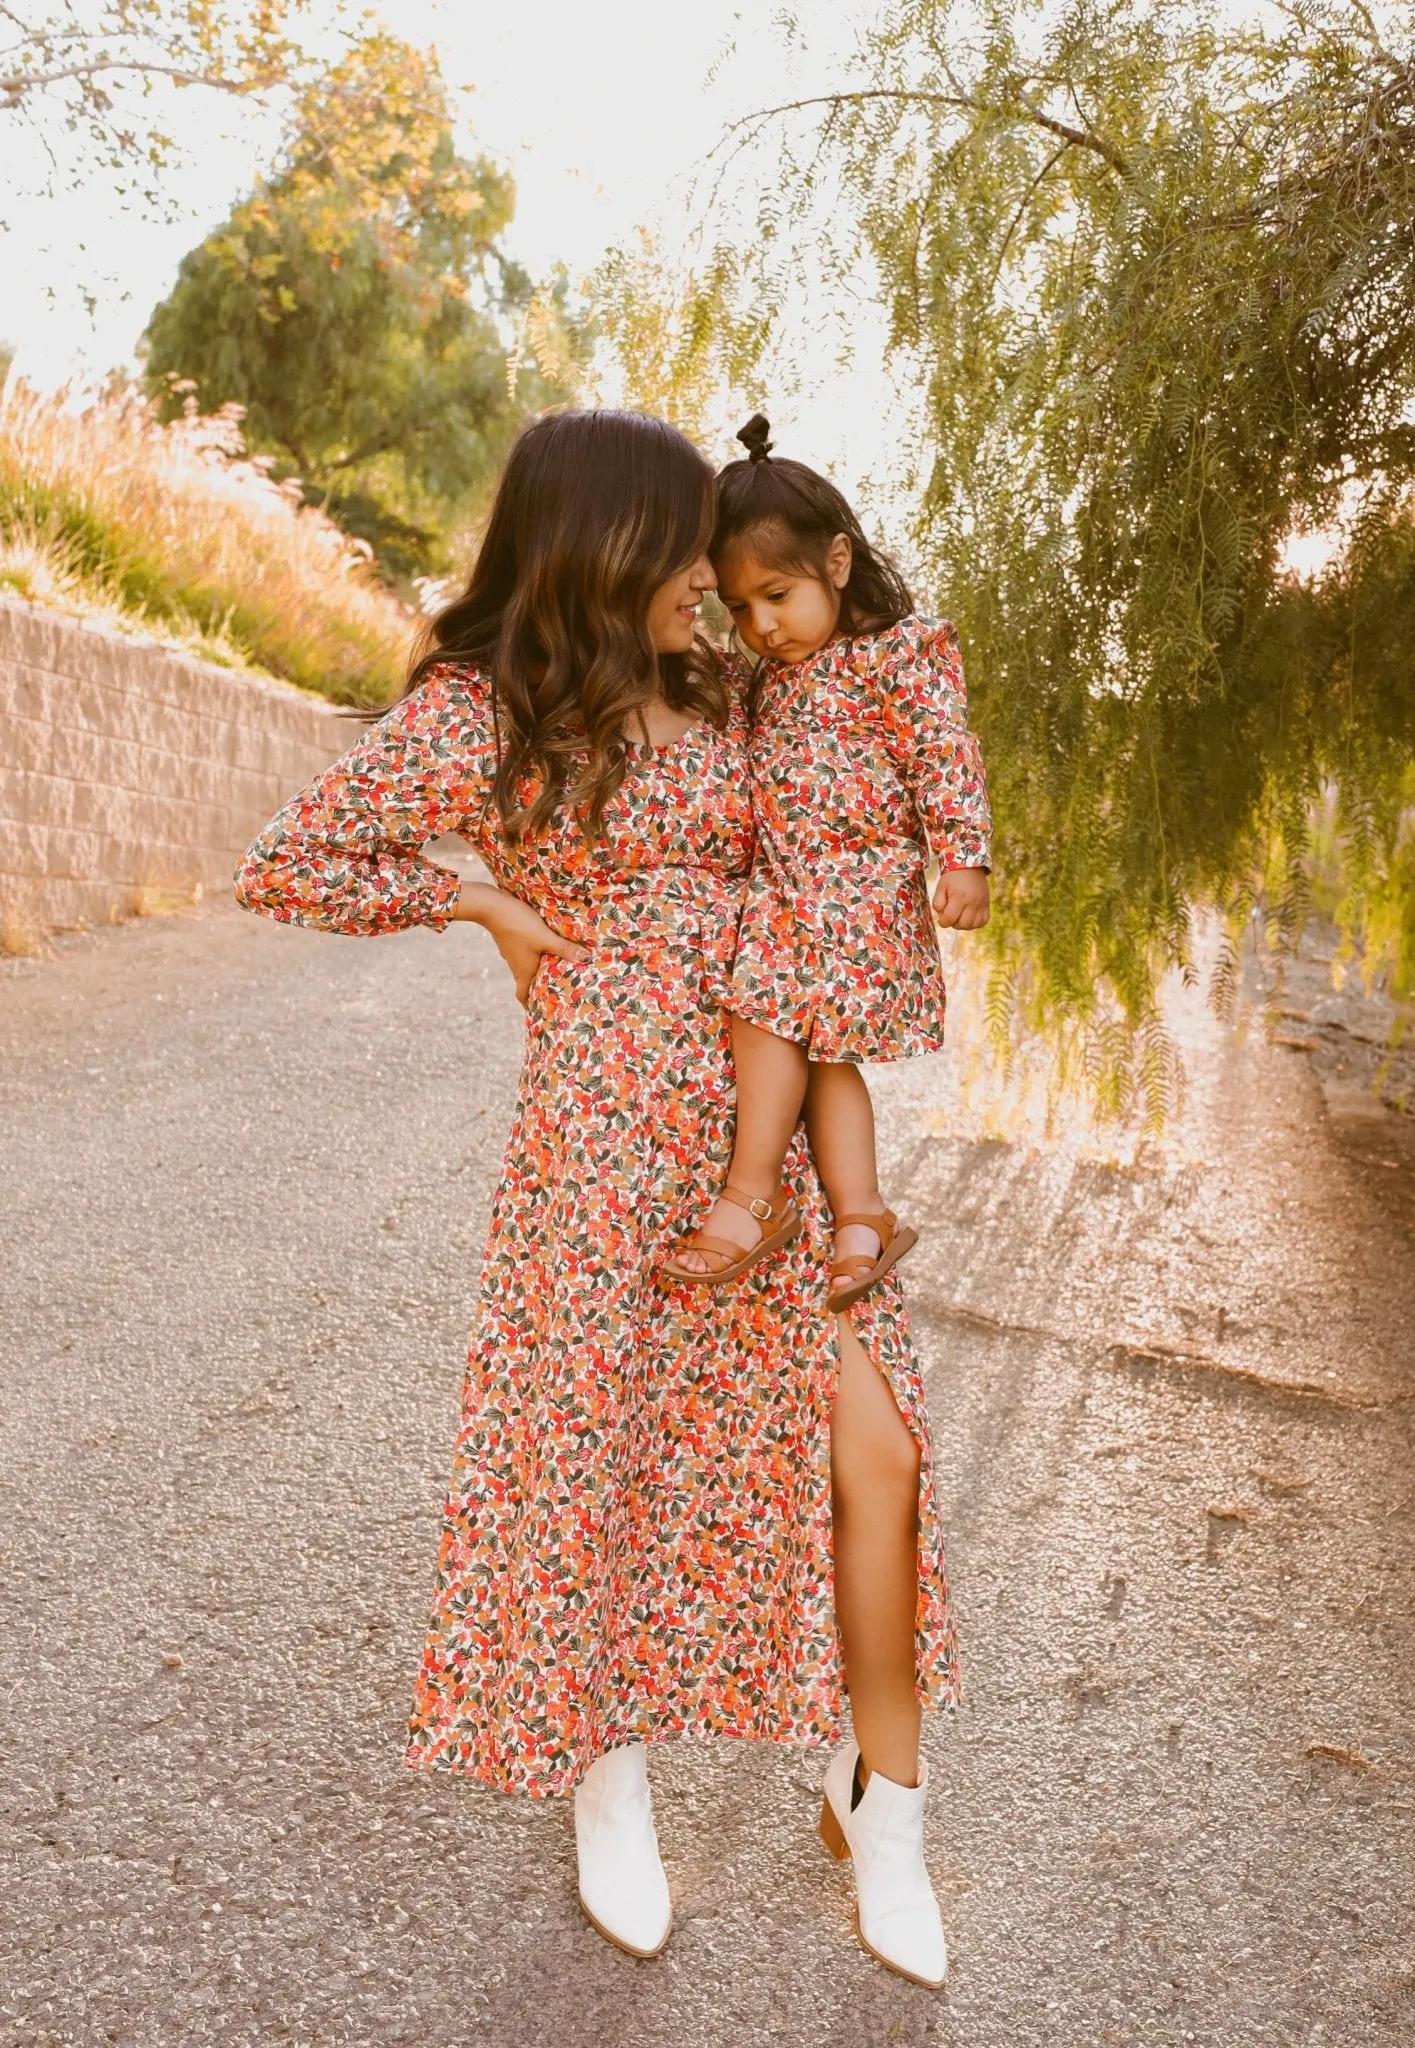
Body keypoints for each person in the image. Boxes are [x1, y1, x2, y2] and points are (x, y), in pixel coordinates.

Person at [234, 409, 957, 1988]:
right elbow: (291, 861)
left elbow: (865, 780)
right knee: (595, 1456)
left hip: (765, 1107)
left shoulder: (736, 684)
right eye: (686, 543)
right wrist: (481, 895)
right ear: (613, 542)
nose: (709, 574)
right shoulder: (484, 713)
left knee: (877, 1457)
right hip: (608, 1124)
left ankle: (883, 1808)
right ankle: (603, 1779)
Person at [667, 414, 991, 1315]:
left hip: (858, 894)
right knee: (824, 1059)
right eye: (738, 609)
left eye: (776, 595)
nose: (760, 626)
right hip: (785, 897)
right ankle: (862, 1218)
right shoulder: (759, 681)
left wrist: (964, 857)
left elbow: (944, 753)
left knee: (767, 1019)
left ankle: (748, 1197)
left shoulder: (894, 658)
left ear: (836, 564)